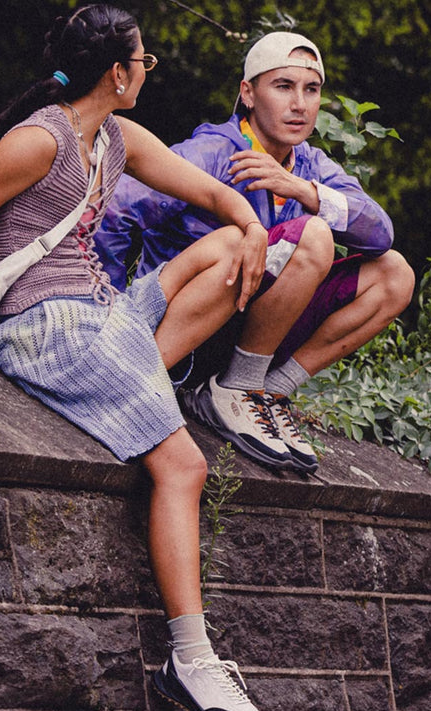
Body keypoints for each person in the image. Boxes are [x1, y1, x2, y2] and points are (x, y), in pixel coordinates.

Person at [0, 5, 266, 711]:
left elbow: (208, 193)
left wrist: (255, 227)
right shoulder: (38, 141)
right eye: (144, 63)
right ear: (118, 72)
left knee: (226, 250)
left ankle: (138, 381)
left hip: (105, 315)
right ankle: (191, 657)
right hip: (46, 326)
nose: (147, 73)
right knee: (184, 467)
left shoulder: (116, 136)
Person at [94, 31, 414, 475]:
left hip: (252, 335)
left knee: (394, 274)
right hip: (184, 334)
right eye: (283, 86)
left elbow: (380, 233)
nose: (299, 104)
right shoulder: (213, 151)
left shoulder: (310, 165)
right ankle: (231, 390)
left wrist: (300, 189)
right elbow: (116, 213)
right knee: (315, 236)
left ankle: (263, 391)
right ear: (248, 93)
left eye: (311, 89)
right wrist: (104, 308)